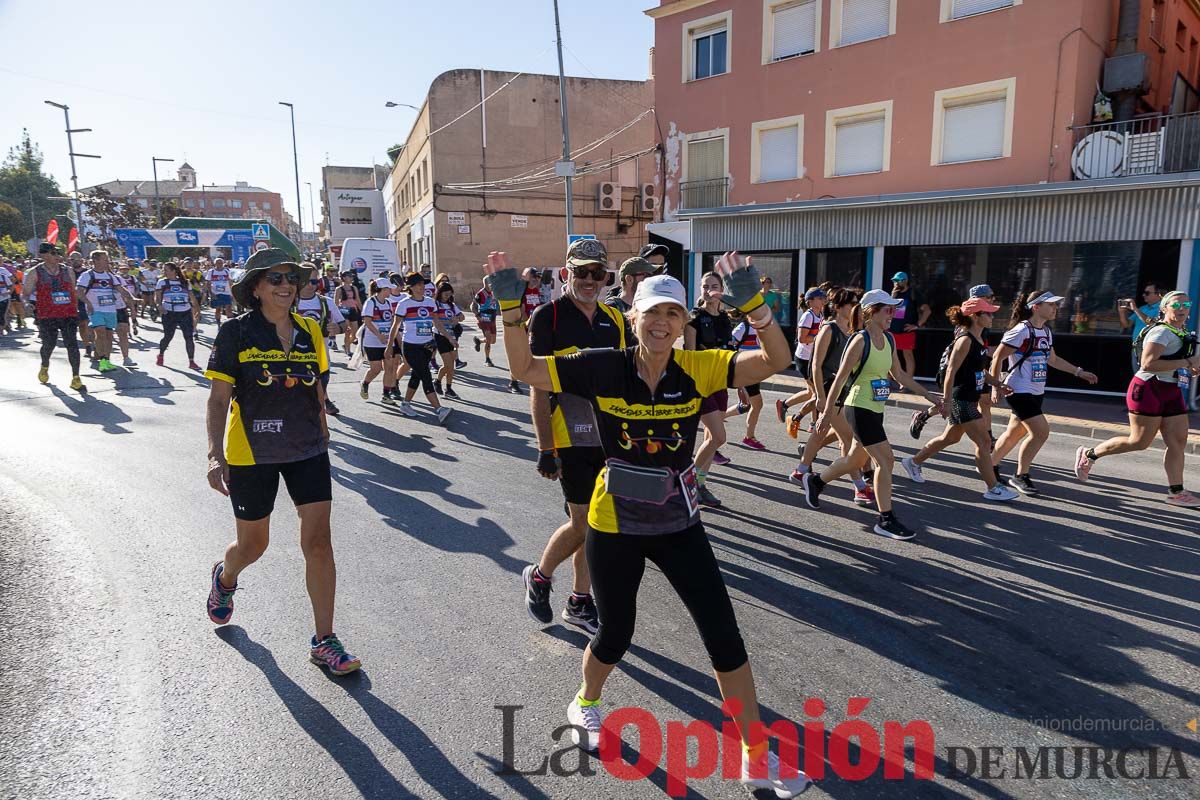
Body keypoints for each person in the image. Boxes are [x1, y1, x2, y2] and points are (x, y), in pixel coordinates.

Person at [486, 250, 808, 797]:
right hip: (614, 523)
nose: (662, 323)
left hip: (678, 522)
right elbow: (526, 370)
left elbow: (774, 361)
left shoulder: (701, 365)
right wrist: (513, 310)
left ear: (684, 324)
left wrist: (755, 306)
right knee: (616, 633)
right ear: (633, 318)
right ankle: (585, 702)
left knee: (723, 635)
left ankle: (756, 755)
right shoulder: (602, 364)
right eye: (651, 313)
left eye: (673, 315)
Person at [203, 249, 361, 676]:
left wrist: (325, 433)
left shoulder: (311, 330)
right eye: (274, 278)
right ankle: (226, 577)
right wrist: (216, 455)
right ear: (255, 288)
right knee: (254, 546)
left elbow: (317, 388)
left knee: (319, 542)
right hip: (251, 453)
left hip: (307, 449)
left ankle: (324, 640)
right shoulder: (235, 333)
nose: (286, 284)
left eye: (291, 277)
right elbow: (218, 401)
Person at [522, 237, 631, 637]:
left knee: (597, 524)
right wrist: (545, 448)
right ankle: (540, 575)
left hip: (608, 436)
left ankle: (579, 601)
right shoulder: (548, 318)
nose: (589, 279)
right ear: (567, 273)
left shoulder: (615, 319)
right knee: (584, 523)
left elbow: (625, 380)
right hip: (568, 435)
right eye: (581, 272)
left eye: (596, 273)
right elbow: (538, 387)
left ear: (606, 276)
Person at [800, 289, 946, 541]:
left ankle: (816, 482)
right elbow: (841, 378)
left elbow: (899, 376)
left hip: (876, 408)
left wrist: (931, 397)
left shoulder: (889, 339)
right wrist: (824, 410)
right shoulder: (859, 340)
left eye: (894, 309)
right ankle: (885, 518)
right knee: (886, 460)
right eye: (888, 310)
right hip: (858, 407)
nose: (894, 314)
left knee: (855, 460)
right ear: (872, 312)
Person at [1074, 291, 1200, 507]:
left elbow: (1178, 362)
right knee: (1139, 442)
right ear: (1164, 308)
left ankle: (1176, 492)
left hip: (1171, 390)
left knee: (1178, 442)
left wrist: (1189, 368)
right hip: (1148, 388)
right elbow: (1148, 364)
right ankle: (1089, 454)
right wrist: (1188, 362)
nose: (1181, 308)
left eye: (1185, 304)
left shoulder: (1181, 331)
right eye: (1176, 305)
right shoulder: (1160, 332)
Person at [900, 298, 1019, 501]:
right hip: (961, 399)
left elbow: (980, 370)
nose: (992, 317)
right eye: (988, 314)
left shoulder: (979, 339)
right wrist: (946, 402)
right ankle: (993, 488)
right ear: (975, 316)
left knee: (951, 438)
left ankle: (913, 462)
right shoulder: (965, 340)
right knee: (983, 441)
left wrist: (998, 384)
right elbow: (951, 372)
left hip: (970, 398)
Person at [988, 289, 1099, 495]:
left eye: (1056, 305)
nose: (1055, 308)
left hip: (1037, 390)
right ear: (1036, 307)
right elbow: (997, 358)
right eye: (1051, 305)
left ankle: (989, 465)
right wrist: (996, 386)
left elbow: (1053, 360)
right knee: (1041, 432)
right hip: (1018, 389)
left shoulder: (1046, 331)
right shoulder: (1021, 330)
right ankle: (1021, 476)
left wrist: (1079, 372)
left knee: (1015, 432)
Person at [789, 288, 875, 507]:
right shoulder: (829, 328)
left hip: (842, 389)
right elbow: (815, 365)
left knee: (821, 433)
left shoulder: (852, 330)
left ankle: (800, 472)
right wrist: (818, 396)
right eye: (851, 303)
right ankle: (860, 488)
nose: (856, 306)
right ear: (838, 306)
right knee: (848, 438)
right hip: (828, 389)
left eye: (857, 302)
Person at [910, 283, 998, 447]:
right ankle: (987, 439)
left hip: (975, 372)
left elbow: (982, 350)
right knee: (964, 402)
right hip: (961, 373)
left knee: (978, 407)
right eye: (989, 297)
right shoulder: (970, 322)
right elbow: (964, 353)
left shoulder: (985, 318)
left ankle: (987, 438)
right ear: (978, 299)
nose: (992, 300)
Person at [684, 271, 735, 507]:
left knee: (710, 439)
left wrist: (742, 385)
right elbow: (691, 356)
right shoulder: (694, 318)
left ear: (721, 289)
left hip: (720, 383)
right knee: (718, 436)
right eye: (704, 286)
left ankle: (699, 485)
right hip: (700, 384)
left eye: (713, 286)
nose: (708, 290)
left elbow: (731, 355)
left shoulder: (725, 319)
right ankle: (686, 483)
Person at [386, 272, 453, 423]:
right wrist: (389, 346)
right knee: (426, 376)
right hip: (411, 346)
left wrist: (449, 338)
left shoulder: (430, 302)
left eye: (422, 284)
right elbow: (395, 326)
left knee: (417, 376)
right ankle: (438, 409)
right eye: (418, 285)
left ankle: (405, 404)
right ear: (411, 287)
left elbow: (437, 323)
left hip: (428, 346)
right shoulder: (404, 304)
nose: (421, 287)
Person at [22, 242, 85, 391]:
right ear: (44, 255)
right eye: (53, 253)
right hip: (47, 315)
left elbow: (73, 291)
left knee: (73, 345)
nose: (57, 256)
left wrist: (79, 307)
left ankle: (76, 378)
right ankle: (45, 365)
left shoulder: (67, 271)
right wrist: (26, 304)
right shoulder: (34, 272)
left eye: (57, 253)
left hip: (68, 314)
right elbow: (25, 293)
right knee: (49, 344)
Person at [296, 270, 346, 416]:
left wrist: (337, 328)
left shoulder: (326, 302)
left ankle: (322, 406)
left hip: (320, 356)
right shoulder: (290, 301)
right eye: (306, 281)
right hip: (295, 355)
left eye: (314, 281)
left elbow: (343, 324)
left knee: (320, 383)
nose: (310, 285)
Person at [777, 288, 827, 434]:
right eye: (820, 298)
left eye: (823, 297)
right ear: (810, 301)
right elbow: (802, 339)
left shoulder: (821, 314)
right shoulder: (808, 316)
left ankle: (784, 404)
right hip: (804, 359)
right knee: (818, 393)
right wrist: (819, 338)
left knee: (811, 392)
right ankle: (810, 422)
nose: (823, 300)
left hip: (814, 358)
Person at [77, 250, 133, 373]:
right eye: (104, 259)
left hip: (110, 309)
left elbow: (121, 289)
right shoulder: (88, 275)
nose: (107, 261)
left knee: (108, 335)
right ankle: (102, 361)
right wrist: (88, 303)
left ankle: (107, 360)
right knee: (100, 332)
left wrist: (130, 298)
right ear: (96, 260)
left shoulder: (110, 276)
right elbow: (79, 291)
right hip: (95, 309)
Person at [727, 311, 766, 449]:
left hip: (755, 370)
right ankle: (749, 437)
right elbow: (729, 347)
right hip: (744, 371)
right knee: (757, 404)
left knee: (747, 405)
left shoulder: (760, 327)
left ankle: (718, 418)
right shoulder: (743, 328)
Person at [155, 262, 202, 369]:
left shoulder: (185, 282)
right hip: (169, 312)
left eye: (166, 270)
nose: (164, 272)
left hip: (185, 312)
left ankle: (191, 361)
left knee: (189, 337)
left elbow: (192, 298)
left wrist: (197, 310)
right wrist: (159, 306)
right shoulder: (162, 282)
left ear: (173, 271)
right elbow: (157, 298)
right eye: (163, 270)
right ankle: (161, 354)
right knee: (168, 336)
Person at [358, 278, 398, 403]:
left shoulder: (388, 303)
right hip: (372, 341)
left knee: (389, 367)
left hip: (386, 341)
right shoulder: (370, 302)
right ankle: (365, 383)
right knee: (376, 369)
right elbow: (367, 322)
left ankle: (386, 394)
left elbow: (391, 321)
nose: (390, 291)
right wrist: (378, 335)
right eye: (388, 288)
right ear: (382, 289)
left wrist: (393, 337)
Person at [888, 271, 929, 379]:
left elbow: (927, 311)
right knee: (890, 355)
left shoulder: (913, 293)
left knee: (908, 355)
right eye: (894, 281)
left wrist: (917, 325)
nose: (896, 283)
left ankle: (908, 382)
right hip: (892, 329)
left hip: (906, 330)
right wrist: (892, 297)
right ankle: (889, 379)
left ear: (905, 281)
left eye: (898, 281)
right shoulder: (894, 294)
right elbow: (889, 311)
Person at [1119, 283, 1164, 372]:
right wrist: (1121, 312)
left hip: (1151, 349)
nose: (1143, 295)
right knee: (1138, 377)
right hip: (1137, 349)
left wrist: (1135, 309)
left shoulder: (1163, 309)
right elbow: (1126, 325)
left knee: (1148, 377)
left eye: (1147, 293)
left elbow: (1153, 324)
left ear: (1158, 294)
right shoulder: (1143, 308)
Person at [432, 282, 465, 399]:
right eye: (445, 294)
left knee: (450, 366)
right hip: (440, 336)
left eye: (449, 295)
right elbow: (435, 321)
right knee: (449, 364)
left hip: (451, 336)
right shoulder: (435, 304)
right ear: (440, 293)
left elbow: (462, 317)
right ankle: (444, 385)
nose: (447, 297)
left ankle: (444, 385)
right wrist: (447, 323)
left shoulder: (451, 305)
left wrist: (457, 318)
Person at [111, 260, 140, 367]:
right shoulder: (91, 276)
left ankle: (126, 358)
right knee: (106, 335)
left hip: (120, 308)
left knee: (123, 332)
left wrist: (132, 308)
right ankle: (103, 357)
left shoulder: (119, 279)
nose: (124, 271)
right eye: (122, 269)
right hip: (104, 310)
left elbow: (125, 293)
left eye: (126, 269)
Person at [471, 277, 500, 367]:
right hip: (484, 318)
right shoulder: (480, 293)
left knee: (493, 341)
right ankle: (487, 359)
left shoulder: (494, 292)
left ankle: (479, 341)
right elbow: (472, 305)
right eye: (491, 283)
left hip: (492, 318)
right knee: (488, 338)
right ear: (486, 284)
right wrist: (477, 315)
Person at [334, 270, 362, 354]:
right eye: (349, 276)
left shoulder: (354, 288)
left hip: (353, 310)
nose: (351, 278)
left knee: (355, 333)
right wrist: (337, 315)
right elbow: (335, 303)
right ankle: (348, 350)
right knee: (347, 331)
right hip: (344, 311)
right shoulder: (339, 289)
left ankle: (346, 344)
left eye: (351, 276)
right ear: (344, 278)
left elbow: (357, 300)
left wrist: (363, 312)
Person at [206, 257, 235, 326]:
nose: (219, 264)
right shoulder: (211, 271)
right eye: (218, 263)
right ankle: (218, 323)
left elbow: (230, 282)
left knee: (228, 308)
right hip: (216, 293)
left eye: (221, 263)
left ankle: (230, 324)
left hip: (226, 293)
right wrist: (211, 293)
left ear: (223, 263)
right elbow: (208, 283)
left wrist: (232, 293)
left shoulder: (226, 271)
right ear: (215, 263)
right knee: (218, 309)